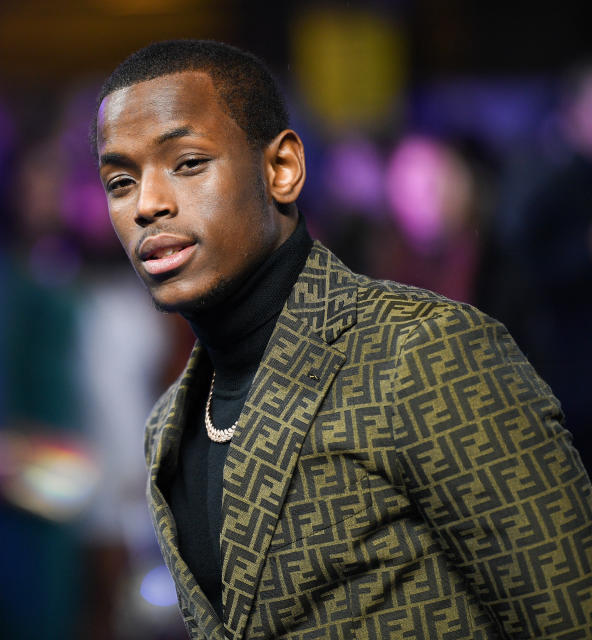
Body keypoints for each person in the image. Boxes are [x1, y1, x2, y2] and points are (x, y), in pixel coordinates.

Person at [91, 39, 592, 639]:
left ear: (282, 170)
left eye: (189, 163)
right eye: (120, 181)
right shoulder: (168, 427)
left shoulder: (424, 354)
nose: (147, 204)